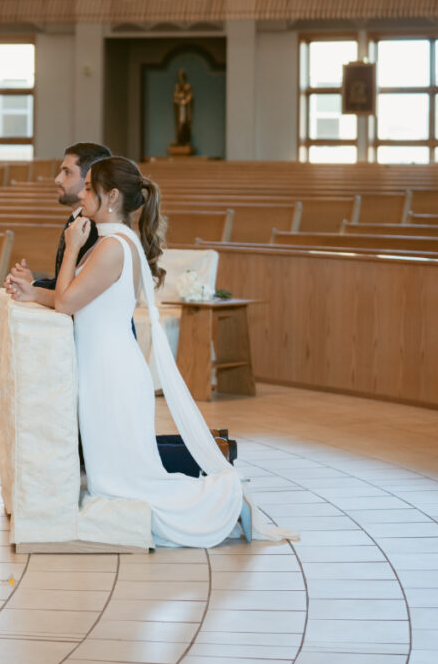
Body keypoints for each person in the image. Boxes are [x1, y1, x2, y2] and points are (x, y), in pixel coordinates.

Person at [51, 155, 296, 548]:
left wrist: (71, 244)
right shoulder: (119, 241)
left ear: (110, 196)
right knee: (117, 480)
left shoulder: (111, 246)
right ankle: (222, 506)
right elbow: (82, 297)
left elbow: (66, 303)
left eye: (89, 185)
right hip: (108, 369)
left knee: (121, 485)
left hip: (109, 374)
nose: (81, 192)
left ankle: (226, 504)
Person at [4, 142, 111, 307]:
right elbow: (65, 282)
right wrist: (33, 283)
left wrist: (32, 292)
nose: (57, 179)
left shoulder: (94, 229)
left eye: (67, 173)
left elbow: (75, 297)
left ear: (91, 178)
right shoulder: (78, 219)